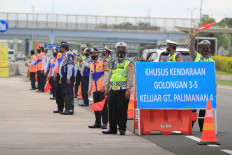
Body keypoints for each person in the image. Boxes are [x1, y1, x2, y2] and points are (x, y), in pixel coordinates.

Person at [102, 42, 134, 135]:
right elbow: (109, 76)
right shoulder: (113, 63)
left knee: (122, 110)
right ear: (116, 53)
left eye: (122, 51)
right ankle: (112, 128)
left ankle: (122, 129)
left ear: (126, 52)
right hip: (112, 90)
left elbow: (130, 78)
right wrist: (106, 88)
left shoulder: (129, 63)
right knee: (112, 110)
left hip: (123, 90)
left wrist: (128, 90)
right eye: (119, 51)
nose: (120, 53)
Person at [189, 28, 215, 132]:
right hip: (195, 88)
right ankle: (189, 127)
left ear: (209, 49)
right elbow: (190, 47)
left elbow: (213, 76)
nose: (205, 49)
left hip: (206, 89)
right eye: (203, 47)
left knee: (204, 110)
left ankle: (202, 129)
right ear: (199, 49)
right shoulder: (196, 56)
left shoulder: (211, 61)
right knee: (193, 109)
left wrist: (215, 88)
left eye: (206, 47)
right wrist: (194, 35)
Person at [88, 48, 109, 129]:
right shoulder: (91, 63)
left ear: (97, 54)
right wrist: (89, 89)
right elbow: (91, 77)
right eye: (91, 54)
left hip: (102, 89)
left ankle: (105, 123)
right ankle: (97, 123)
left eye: (94, 53)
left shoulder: (103, 62)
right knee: (96, 106)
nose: (92, 55)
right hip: (95, 89)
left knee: (104, 107)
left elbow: (106, 75)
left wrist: (104, 86)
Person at [59, 42, 75, 115]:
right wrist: (61, 77)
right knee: (65, 93)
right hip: (64, 77)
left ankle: (70, 109)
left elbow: (70, 67)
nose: (60, 49)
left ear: (64, 48)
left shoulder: (69, 55)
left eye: (61, 48)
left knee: (68, 93)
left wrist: (68, 77)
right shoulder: (64, 55)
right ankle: (67, 108)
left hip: (67, 77)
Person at [52, 42, 66, 113]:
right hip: (58, 74)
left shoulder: (67, 55)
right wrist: (54, 74)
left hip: (64, 75)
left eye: (61, 47)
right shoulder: (59, 55)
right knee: (58, 93)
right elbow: (57, 65)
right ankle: (59, 108)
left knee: (64, 92)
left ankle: (66, 108)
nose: (60, 48)